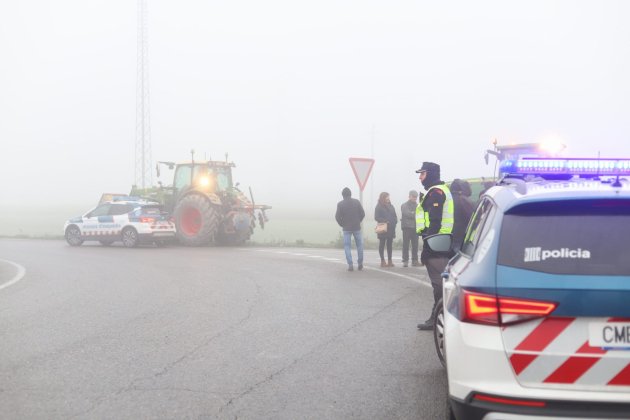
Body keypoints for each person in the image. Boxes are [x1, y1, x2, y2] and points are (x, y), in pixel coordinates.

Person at [415, 162, 454, 331]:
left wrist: (428, 247)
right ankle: (440, 315)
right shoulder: (440, 190)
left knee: (438, 284)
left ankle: (439, 316)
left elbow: (435, 221)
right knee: (441, 282)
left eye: (422, 174)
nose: (420, 177)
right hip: (442, 241)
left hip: (437, 243)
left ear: (429, 174)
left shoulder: (436, 192)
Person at [335, 187, 365, 271]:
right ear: (350, 194)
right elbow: (362, 213)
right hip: (356, 227)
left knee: (347, 246)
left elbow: (337, 217)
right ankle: (360, 263)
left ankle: (350, 264)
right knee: (360, 245)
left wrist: (342, 224)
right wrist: (359, 221)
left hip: (346, 228)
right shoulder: (357, 202)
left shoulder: (340, 204)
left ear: (343, 195)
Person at [450, 179, 475, 253]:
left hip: (447, 238)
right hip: (461, 239)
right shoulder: (463, 200)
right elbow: (473, 219)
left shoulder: (445, 199)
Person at [374, 192, 398, 267]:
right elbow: (376, 217)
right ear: (383, 198)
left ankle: (390, 261)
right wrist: (385, 221)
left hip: (391, 228)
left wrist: (395, 221)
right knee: (382, 244)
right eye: (387, 197)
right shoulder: (378, 206)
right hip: (383, 228)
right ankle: (382, 261)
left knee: (389, 245)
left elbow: (394, 215)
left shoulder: (391, 206)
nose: (388, 198)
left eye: (388, 197)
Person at [400, 190, 421, 267]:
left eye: (416, 197)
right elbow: (407, 214)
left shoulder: (418, 206)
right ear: (409, 196)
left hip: (415, 227)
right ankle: (405, 261)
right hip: (407, 227)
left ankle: (415, 261)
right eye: (413, 197)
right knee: (406, 245)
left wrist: (413, 213)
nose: (415, 198)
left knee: (415, 245)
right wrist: (414, 214)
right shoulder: (404, 205)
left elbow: (419, 215)